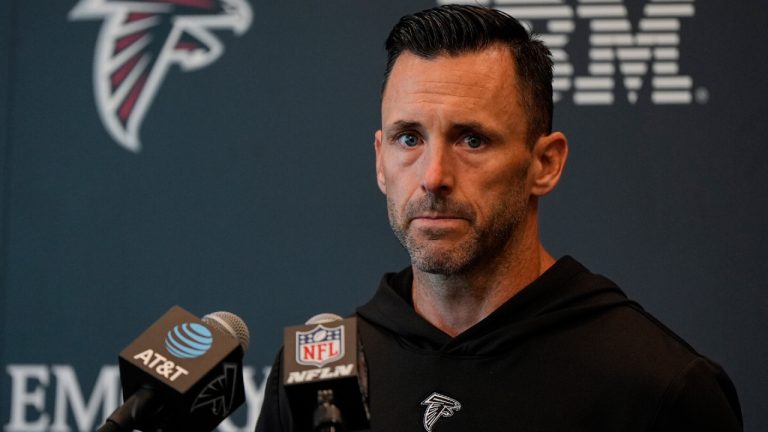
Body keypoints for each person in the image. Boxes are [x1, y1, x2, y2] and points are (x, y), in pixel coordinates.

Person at [256, 5, 742, 431]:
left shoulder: (658, 386)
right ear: (380, 160)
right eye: (409, 138)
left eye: (472, 139)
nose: (434, 176)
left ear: (544, 164)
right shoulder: (316, 379)